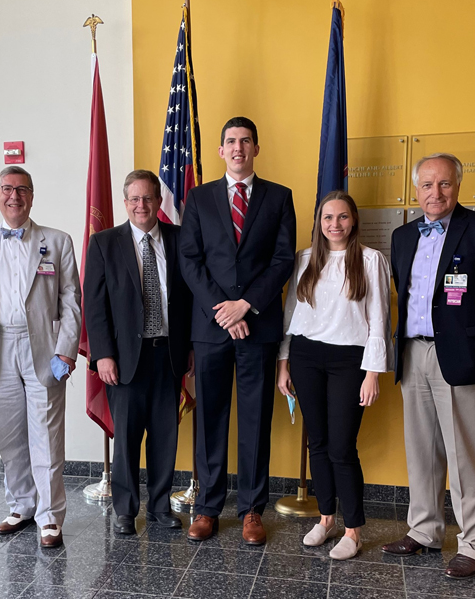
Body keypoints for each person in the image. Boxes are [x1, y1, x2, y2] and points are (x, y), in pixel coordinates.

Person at [383, 153, 475, 578]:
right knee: (421, 451)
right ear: (416, 190)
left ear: (458, 186)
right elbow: (403, 294)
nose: (435, 193)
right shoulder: (403, 236)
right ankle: (424, 530)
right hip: (413, 353)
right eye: (427, 185)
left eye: (444, 184)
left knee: (465, 455)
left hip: (462, 358)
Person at [179, 116, 296, 545]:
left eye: (246, 141)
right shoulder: (199, 197)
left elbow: (283, 260)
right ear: (220, 150)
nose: (238, 148)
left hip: (258, 326)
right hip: (211, 330)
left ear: (256, 149)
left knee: (254, 420)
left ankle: (251, 510)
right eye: (230, 141)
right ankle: (207, 508)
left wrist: (246, 305)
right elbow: (190, 259)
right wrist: (222, 310)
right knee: (210, 419)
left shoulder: (279, 197)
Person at [0, 166, 81, 548]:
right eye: (7, 189)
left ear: (32, 195)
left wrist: (66, 349)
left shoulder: (56, 241)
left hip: (44, 348)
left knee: (46, 435)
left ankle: (49, 516)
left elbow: (71, 300)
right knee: (10, 437)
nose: (14, 196)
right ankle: (22, 504)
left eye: (22, 189)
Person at [276, 191, 392, 560]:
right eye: (328, 218)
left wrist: (373, 372)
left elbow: (379, 319)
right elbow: (291, 314)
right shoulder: (305, 259)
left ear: (353, 220)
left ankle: (354, 530)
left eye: (342, 217)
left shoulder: (371, 260)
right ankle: (326, 518)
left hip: (350, 360)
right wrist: (284, 363)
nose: (335, 224)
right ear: (319, 222)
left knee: (342, 448)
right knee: (318, 444)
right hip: (307, 356)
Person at [83, 170, 194, 535]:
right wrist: (103, 355)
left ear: (159, 202)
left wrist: (191, 348)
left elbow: (190, 299)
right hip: (124, 358)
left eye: (148, 198)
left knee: (165, 435)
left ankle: (161, 507)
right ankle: (126, 511)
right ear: (125, 202)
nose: (141, 205)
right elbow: (95, 305)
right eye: (134, 199)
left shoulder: (179, 239)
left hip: (169, 355)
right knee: (128, 439)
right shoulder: (104, 243)